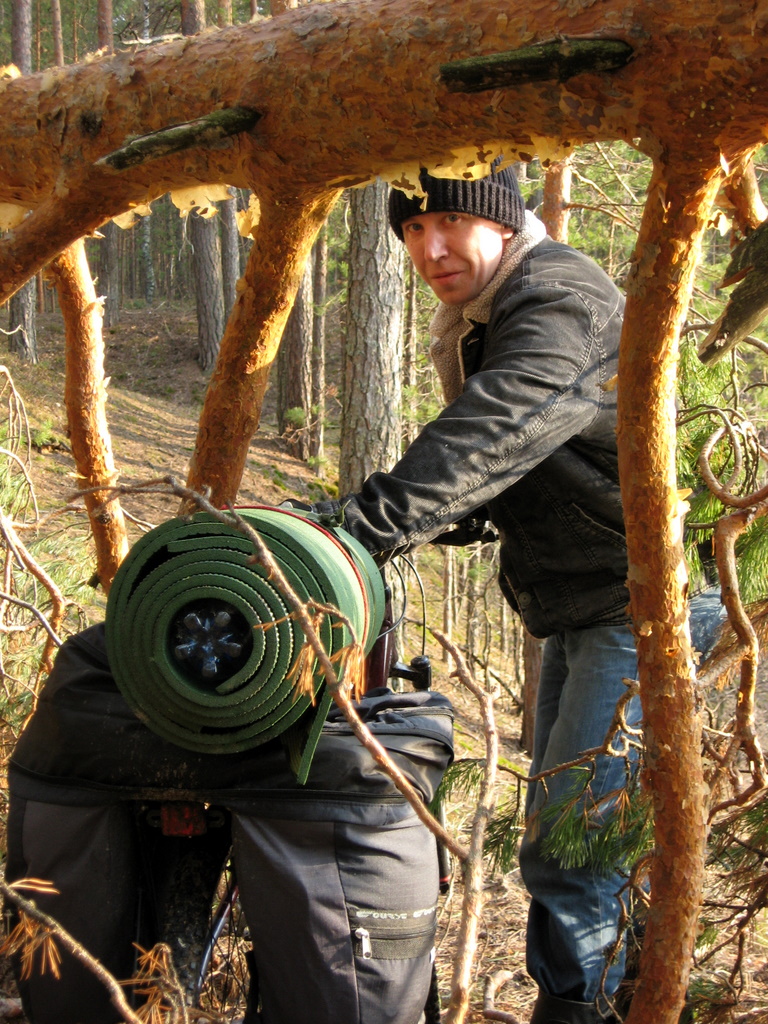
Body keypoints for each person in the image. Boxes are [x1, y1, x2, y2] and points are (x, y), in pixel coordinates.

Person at [304, 161, 722, 1024]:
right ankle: (639, 1002)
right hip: (588, 604)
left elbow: (499, 426)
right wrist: (411, 520)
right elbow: (523, 467)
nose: (430, 249)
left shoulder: (559, 297)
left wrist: (362, 527)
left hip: (644, 608)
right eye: (412, 230)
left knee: (573, 850)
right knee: (587, 841)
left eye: (450, 222)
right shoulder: (482, 318)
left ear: (501, 219)